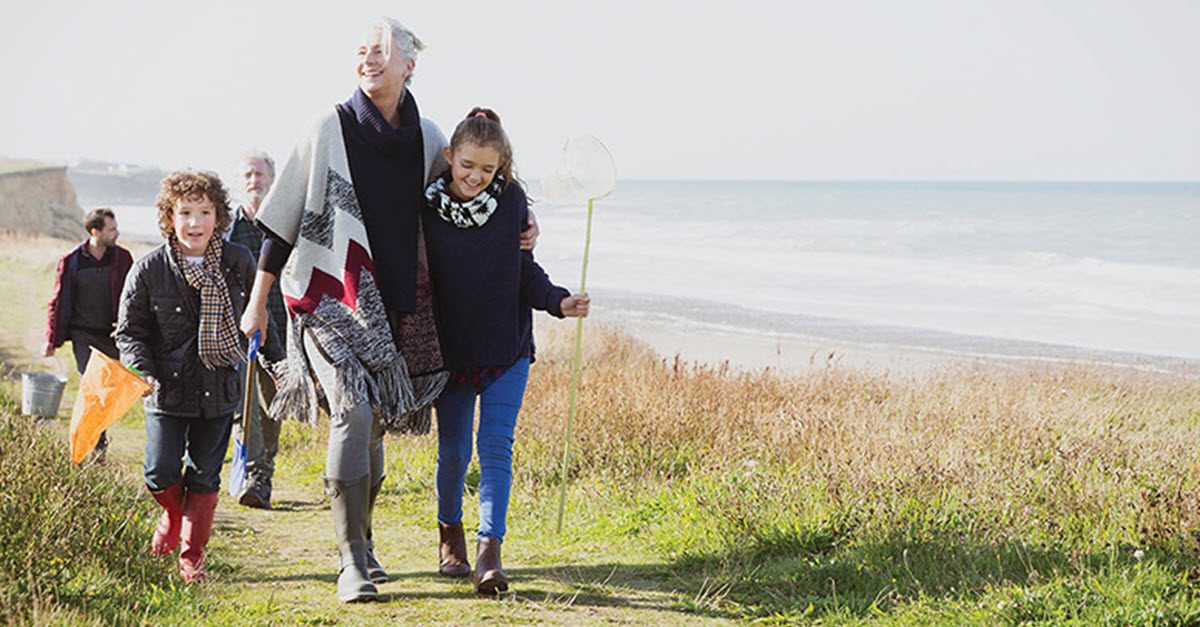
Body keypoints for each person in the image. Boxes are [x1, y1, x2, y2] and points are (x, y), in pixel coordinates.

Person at [242, 17, 539, 603]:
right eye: (362, 50)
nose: (368, 58)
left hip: (400, 309)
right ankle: (350, 562)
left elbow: (467, 192)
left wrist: (525, 218)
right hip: (329, 300)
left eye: (381, 50)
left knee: (373, 422)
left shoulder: (429, 137)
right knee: (352, 411)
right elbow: (280, 222)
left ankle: (365, 540)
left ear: (409, 64)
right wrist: (258, 302)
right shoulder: (327, 127)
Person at [423, 109, 590, 594]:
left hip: (507, 348)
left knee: (495, 447)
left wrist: (558, 300)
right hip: (451, 353)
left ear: (502, 168)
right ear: (450, 157)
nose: (476, 177)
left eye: (488, 170)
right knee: (452, 453)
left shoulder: (512, 202)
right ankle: (448, 533)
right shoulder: (425, 208)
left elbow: (525, 272)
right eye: (467, 166)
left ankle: (489, 552)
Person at [117, 170, 282, 583]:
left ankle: (192, 558)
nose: (195, 223)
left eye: (204, 212)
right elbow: (130, 332)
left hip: (220, 387)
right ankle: (173, 515)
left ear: (218, 218)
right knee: (159, 472)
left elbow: (261, 318)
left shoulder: (238, 262)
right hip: (166, 392)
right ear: (169, 218)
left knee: (206, 476)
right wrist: (143, 372)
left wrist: (278, 365)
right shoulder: (149, 269)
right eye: (185, 212)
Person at [43, 208, 134, 460]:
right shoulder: (72, 261)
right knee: (92, 386)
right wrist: (51, 339)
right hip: (84, 336)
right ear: (96, 232)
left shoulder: (123, 258)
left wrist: (129, 326)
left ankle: (94, 442)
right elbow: (58, 300)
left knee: (106, 393)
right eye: (112, 229)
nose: (117, 233)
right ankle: (94, 447)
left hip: (113, 336)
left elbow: (134, 297)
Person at [225, 150, 288, 509]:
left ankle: (264, 469)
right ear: (239, 181)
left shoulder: (285, 223)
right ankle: (255, 474)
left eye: (260, 174)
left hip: (282, 327)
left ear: (273, 179)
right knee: (243, 404)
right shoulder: (228, 230)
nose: (254, 180)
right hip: (239, 333)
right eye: (248, 175)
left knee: (272, 405)